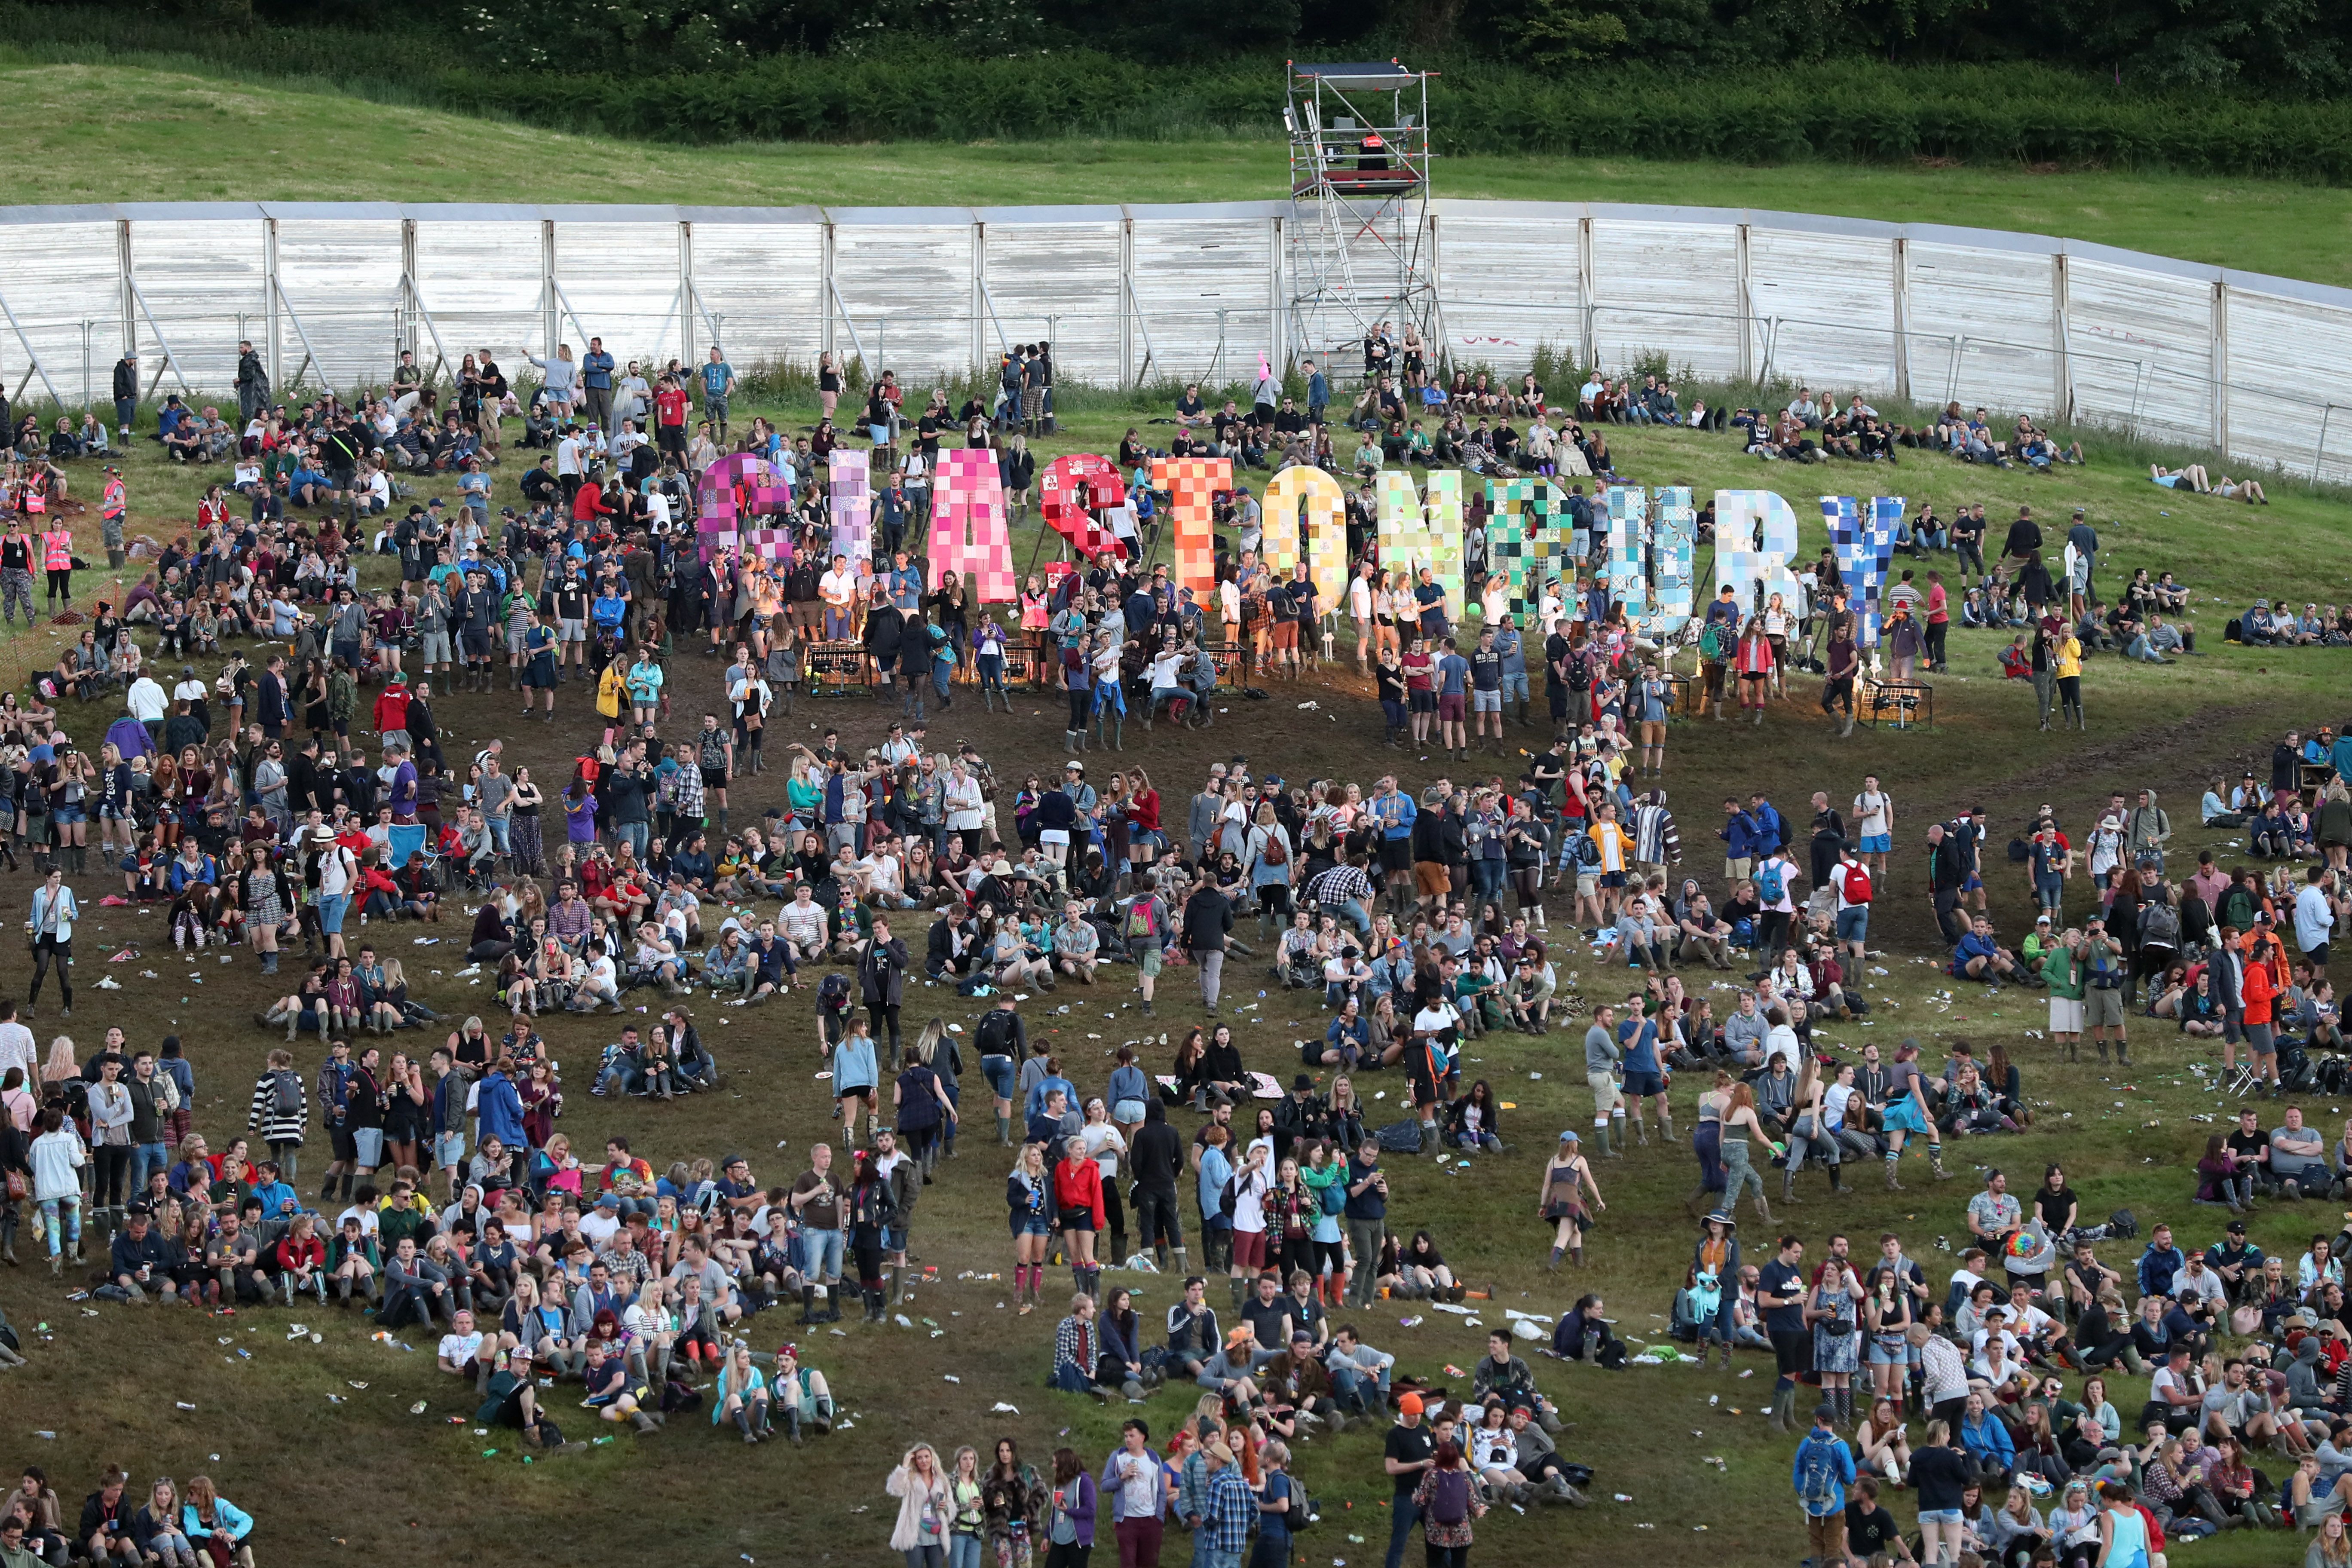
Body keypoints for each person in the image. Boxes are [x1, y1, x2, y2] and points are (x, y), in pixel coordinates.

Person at [1792, 1399, 1857, 1568]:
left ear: (1818, 1420)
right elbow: (1850, 1477)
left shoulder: (1807, 1443)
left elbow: (1798, 1471)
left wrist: (1804, 1493)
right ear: (1832, 1422)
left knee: (1816, 1544)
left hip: (1812, 1503)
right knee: (1833, 1546)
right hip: (1835, 1503)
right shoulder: (1840, 1445)